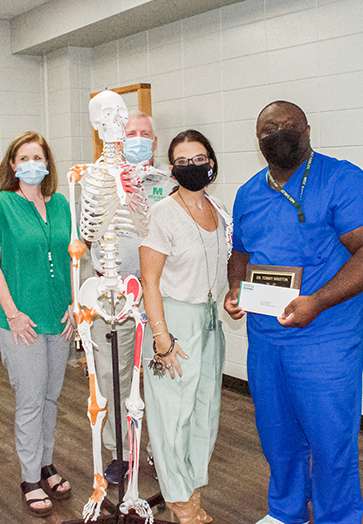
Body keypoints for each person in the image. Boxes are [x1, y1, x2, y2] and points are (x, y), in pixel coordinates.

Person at [224, 101, 363, 524]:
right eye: (268, 128)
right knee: (277, 436)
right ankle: (286, 511)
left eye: (288, 125)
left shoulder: (342, 179)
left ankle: (338, 517)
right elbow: (240, 253)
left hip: (324, 337)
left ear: (308, 129)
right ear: (257, 139)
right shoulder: (249, 193)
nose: (279, 133)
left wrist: (316, 302)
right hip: (266, 339)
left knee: (330, 439)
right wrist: (235, 290)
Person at [0, 131, 74, 517]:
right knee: (31, 399)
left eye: (39, 156)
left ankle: (46, 463)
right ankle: (30, 477)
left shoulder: (63, 203)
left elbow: (74, 257)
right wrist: (13, 313)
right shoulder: (1, 204)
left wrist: (75, 303)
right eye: (24, 157)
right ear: (13, 165)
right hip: (20, 321)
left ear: (48, 164)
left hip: (59, 317)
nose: (32, 163)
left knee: (51, 397)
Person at [139, 129, 231, 524]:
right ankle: (177, 501)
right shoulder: (160, 213)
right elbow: (150, 282)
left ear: (211, 162)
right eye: (183, 161)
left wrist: (231, 298)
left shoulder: (219, 210)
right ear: (171, 168)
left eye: (199, 159)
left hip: (210, 323)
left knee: (204, 413)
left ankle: (191, 492)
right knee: (171, 416)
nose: (192, 166)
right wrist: (161, 338)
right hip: (174, 322)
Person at [89, 110, 176, 460]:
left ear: (154, 143)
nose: (137, 139)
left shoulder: (170, 184)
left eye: (144, 134)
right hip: (114, 294)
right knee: (115, 376)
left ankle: (159, 450)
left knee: (160, 374)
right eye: (130, 134)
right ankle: (121, 452)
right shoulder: (99, 182)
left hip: (160, 293)